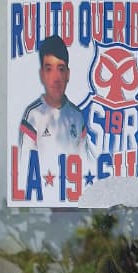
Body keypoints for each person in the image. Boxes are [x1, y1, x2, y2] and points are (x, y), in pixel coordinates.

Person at [18, 34, 87, 173]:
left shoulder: (77, 117)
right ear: (42, 75)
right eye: (49, 69)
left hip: (73, 186)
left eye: (61, 69)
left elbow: (85, 167)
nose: (56, 78)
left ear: (67, 74)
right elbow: (25, 168)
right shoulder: (33, 115)